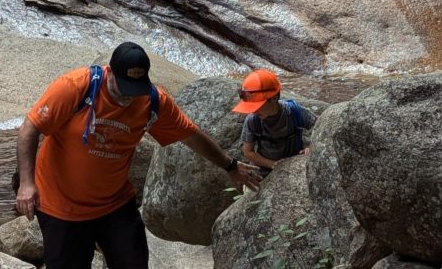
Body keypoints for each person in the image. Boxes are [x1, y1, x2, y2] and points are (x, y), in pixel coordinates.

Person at [15, 41, 261, 269]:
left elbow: (191, 135)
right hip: (60, 206)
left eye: (134, 91)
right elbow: (30, 128)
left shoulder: (152, 101)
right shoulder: (76, 87)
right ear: (110, 73)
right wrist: (26, 184)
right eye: (122, 90)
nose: (127, 98)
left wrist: (229, 166)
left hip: (113, 205)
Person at [232, 68, 317, 177]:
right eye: (250, 106)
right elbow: (248, 152)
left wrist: (311, 146)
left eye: (257, 106)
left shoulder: (294, 112)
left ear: (274, 97)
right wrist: (273, 164)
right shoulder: (253, 120)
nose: (253, 110)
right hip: (263, 171)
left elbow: (319, 124)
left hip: (293, 166)